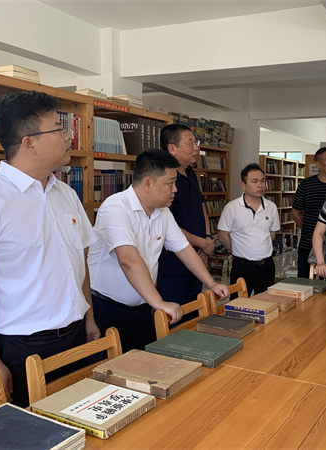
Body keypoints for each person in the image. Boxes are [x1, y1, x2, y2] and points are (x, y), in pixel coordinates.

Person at [0, 91, 100, 407]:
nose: (69, 136)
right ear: (29, 143)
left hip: (76, 335)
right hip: (20, 348)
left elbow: (79, 262)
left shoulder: (66, 194)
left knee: (80, 420)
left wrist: (88, 316)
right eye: (59, 128)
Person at [88, 150, 229, 352]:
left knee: (146, 362)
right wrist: (159, 303)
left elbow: (184, 250)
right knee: (108, 368)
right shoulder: (116, 207)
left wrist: (212, 283)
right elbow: (128, 261)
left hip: (143, 307)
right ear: (147, 183)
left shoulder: (162, 212)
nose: (175, 190)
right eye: (170, 183)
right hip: (107, 309)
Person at [157, 124, 215, 314]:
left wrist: (207, 237)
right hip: (173, 266)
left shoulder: (190, 172)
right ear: (172, 148)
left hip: (196, 259)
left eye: (195, 143)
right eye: (190, 144)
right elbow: (168, 225)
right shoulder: (164, 179)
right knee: (173, 316)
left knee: (193, 315)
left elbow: (201, 205)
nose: (196, 148)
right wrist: (203, 243)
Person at [218, 164, 280, 296]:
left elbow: (272, 233)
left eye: (262, 181)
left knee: (265, 303)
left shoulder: (271, 207)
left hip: (266, 265)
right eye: (255, 181)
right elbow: (223, 235)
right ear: (244, 185)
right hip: (242, 266)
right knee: (238, 303)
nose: (260, 185)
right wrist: (237, 250)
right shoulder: (232, 207)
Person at [291, 147, 326, 278]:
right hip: (308, 244)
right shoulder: (305, 185)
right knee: (305, 282)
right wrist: (311, 230)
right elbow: (295, 213)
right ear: (318, 165)